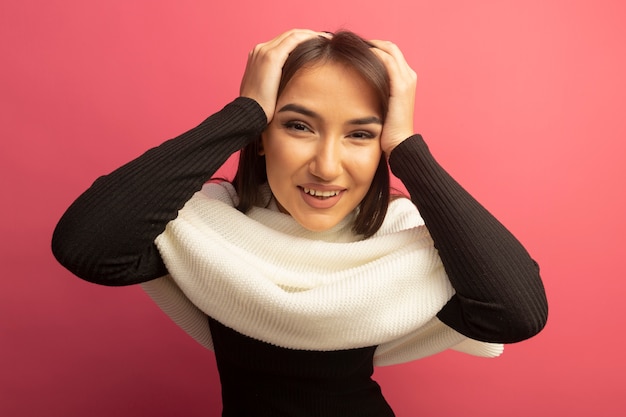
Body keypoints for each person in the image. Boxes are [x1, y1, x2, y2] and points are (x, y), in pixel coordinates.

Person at [52, 29, 548, 417]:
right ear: (263, 135)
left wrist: (406, 147)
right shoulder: (207, 226)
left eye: (359, 134)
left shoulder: (399, 238)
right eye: (298, 126)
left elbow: (517, 312)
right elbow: (87, 246)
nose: (326, 167)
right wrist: (242, 112)